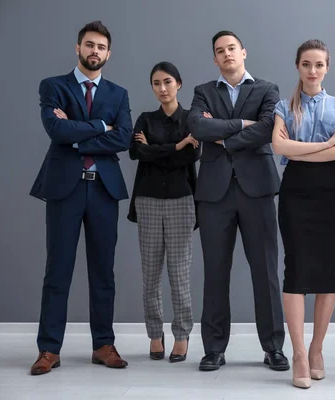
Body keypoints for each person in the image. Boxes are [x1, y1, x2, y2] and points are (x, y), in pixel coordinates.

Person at [29, 21, 132, 375]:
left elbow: (124, 138)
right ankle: (48, 350)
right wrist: (102, 126)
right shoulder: (53, 86)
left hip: (103, 189)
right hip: (64, 188)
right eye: (89, 45)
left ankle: (103, 345)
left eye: (101, 47)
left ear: (108, 53)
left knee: (103, 271)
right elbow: (55, 129)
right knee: (57, 271)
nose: (95, 51)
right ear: (78, 48)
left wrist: (77, 135)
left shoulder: (118, 94)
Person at [187, 30, 288, 372]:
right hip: (214, 193)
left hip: (256, 190)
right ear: (215, 59)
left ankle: (274, 347)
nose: (227, 53)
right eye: (220, 50)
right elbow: (197, 128)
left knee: (266, 273)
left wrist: (226, 137)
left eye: (232, 48)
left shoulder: (266, 89)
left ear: (243, 52)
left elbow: (266, 128)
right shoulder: (203, 92)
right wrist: (240, 124)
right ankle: (214, 349)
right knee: (215, 273)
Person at [272, 39, 335, 389]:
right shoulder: (283, 106)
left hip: (330, 193)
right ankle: (299, 353)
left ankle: (317, 348)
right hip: (295, 191)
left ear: (327, 67)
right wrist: (325, 145)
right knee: (295, 268)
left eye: (319, 64)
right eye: (306, 64)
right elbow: (279, 147)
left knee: (325, 269)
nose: (313, 71)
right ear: (298, 66)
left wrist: (304, 149)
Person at [128, 61, 200, 363]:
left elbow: (192, 155)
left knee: (180, 275)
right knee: (150, 275)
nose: (162, 89)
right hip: (147, 200)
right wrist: (175, 147)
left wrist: (157, 150)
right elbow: (135, 152)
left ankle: (182, 336)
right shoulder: (145, 119)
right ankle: (155, 336)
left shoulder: (190, 120)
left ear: (179, 84)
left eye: (167, 82)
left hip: (182, 200)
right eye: (156, 83)